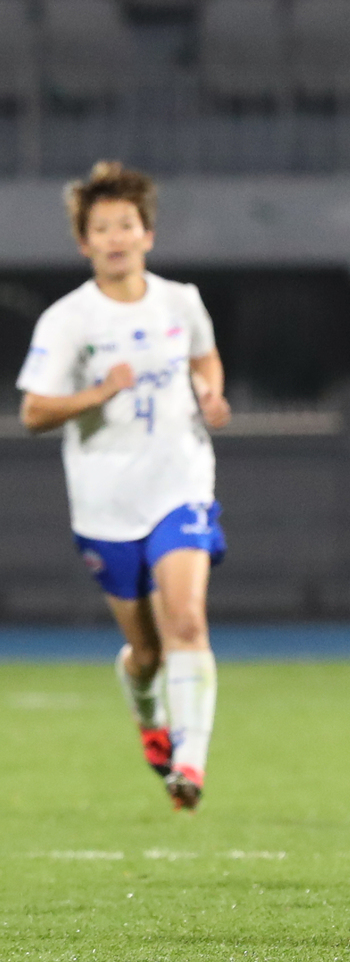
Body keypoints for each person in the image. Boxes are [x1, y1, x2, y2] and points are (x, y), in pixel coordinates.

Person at [17, 162, 229, 812]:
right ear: (84, 242)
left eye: (126, 224)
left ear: (147, 234)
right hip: (107, 502)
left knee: (188, 620)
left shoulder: (180, 300)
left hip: (181, 481)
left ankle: (188, 763)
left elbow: (203, 356)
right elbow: (33, 413)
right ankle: (149, 717)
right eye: (101, 227)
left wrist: (211, 390)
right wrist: (99, 392)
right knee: (146, 648)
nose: (116, 236)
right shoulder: (67, 320)